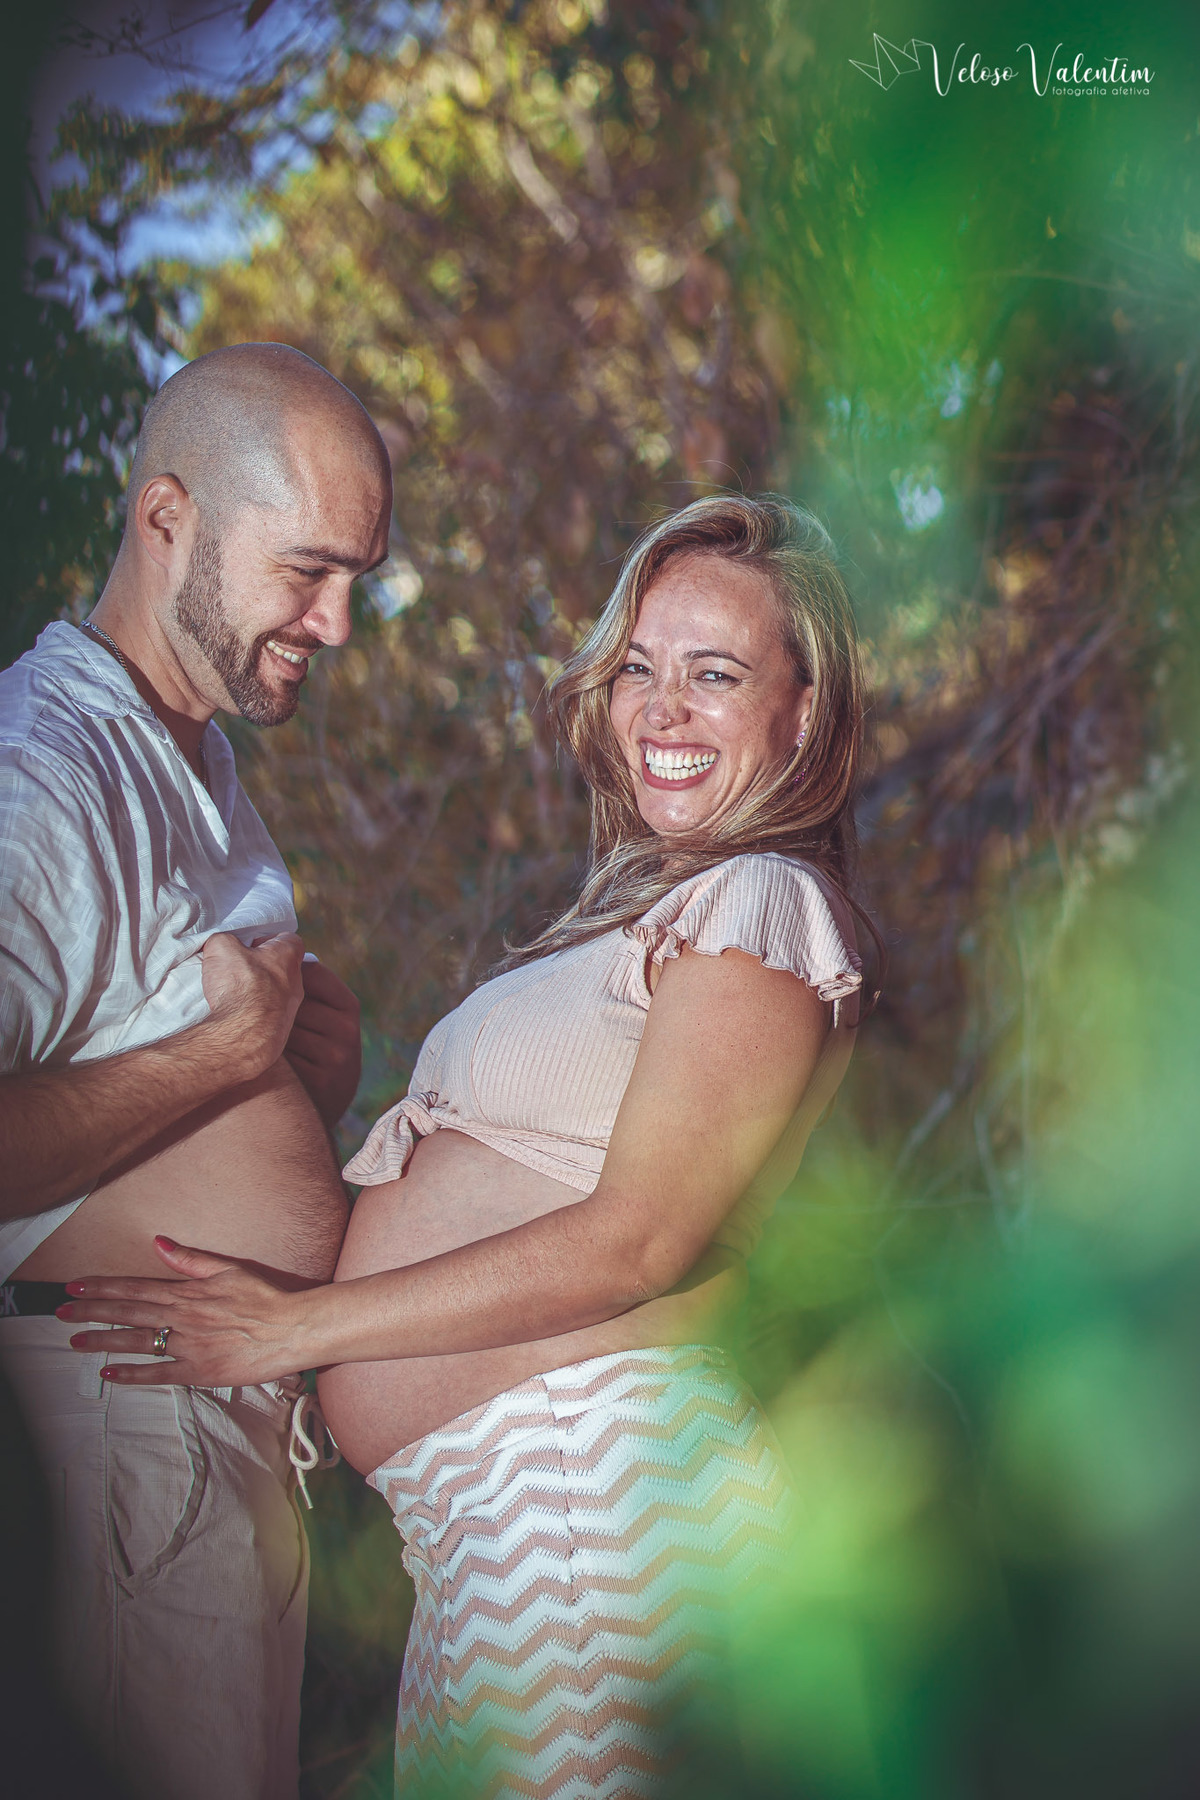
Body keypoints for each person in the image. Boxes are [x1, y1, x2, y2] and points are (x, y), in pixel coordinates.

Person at [63, 493, 878, 1797]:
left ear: (805, 712)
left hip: (585, 1501)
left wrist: (291, 1330)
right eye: (638, 670)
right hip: (499, 1526)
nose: (660, 710)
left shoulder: (761, 900)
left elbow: (639, 1239)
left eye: (713, 676)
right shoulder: (646, 913)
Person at [0, 341, 392, 1800]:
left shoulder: (200, 766)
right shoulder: (44, 775)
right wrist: (225, 1055)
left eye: (359, 576)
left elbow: (152, 1125)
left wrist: (303, 1091)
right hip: (115, 1443)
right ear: (167, 519)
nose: (340, 622)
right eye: (308, 572)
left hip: (204, 1447)